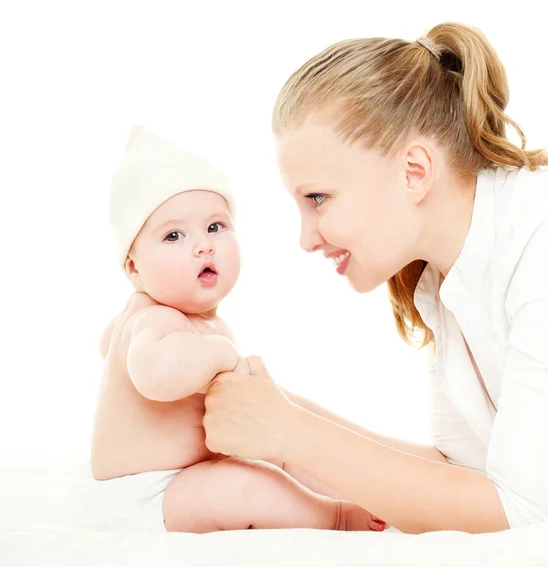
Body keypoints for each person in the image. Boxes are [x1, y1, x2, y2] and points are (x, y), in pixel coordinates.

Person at [202, 22, 548, 534]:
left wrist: (291, 433)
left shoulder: (535, 244)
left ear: (414, 171)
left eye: (318, 198)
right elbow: (464, 479)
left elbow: (526, 516)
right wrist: (283, 418)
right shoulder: (444, 278)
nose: (307, 238)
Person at [89, 125, 385, 533]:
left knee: (280, 452)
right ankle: (333, 516)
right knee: (243, 485)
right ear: (134, 269)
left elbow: (109, 344)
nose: (203, 246)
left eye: (215, 227)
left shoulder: (182, 319)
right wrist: (219, 355)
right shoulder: (154, 319)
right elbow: (155, 375)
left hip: (188, 477)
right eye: (174, 235)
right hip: (144, 493)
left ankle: (361, 494)